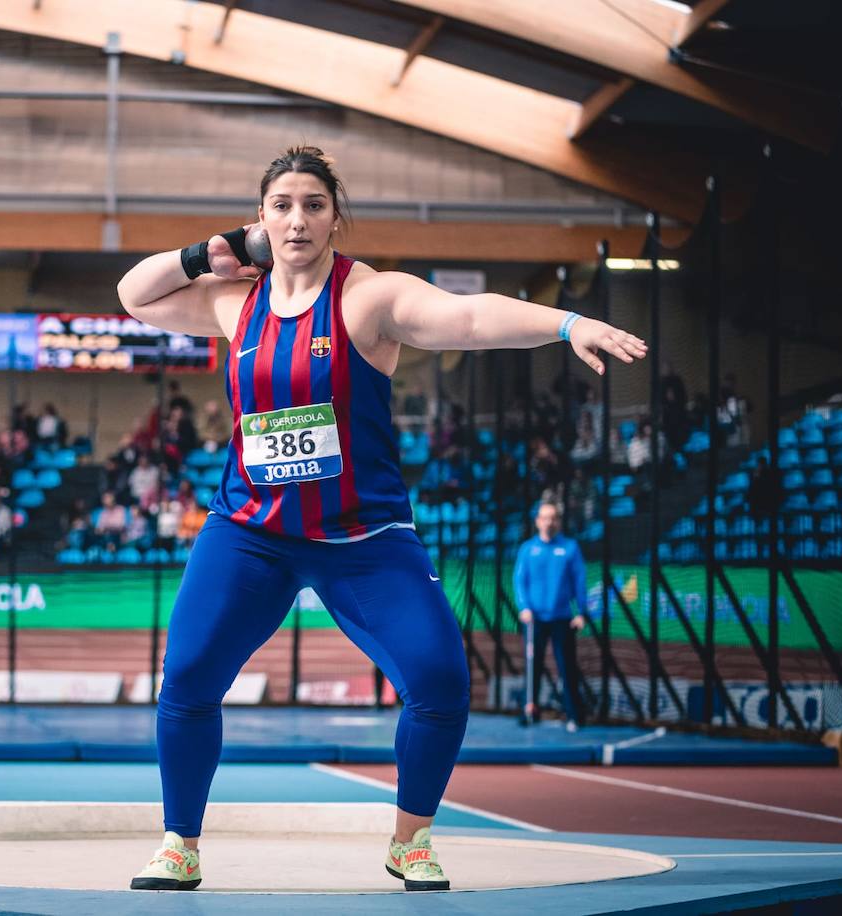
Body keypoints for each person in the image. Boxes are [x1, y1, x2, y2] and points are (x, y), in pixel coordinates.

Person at [116, 145, 646, 892]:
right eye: (282, 206)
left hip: (362, 538)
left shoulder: (368, 298)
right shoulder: (235, 300)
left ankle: (411, 840)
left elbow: (467, 316)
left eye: (313, 205)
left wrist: (568, 325)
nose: (297, 219)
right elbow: (135, 294)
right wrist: (217, 252)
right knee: (189, 675)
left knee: (439, 680)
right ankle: (180, 843)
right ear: (261, 218)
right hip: (251, 532)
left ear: (336, 216)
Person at [514, 502, 588, 732]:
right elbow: (519, 581)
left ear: (558, 521)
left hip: (561, 618)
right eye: (544, 517)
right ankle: (530, 711)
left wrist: (582, 613)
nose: (549, 522)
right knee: (532, 666)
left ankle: (574, 715)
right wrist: (524, 607)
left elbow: (579, 581)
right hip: (534, 620)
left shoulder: (570, 548)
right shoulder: (527, 549)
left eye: (553, 518)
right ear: (537, 521)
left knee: (567, 667)